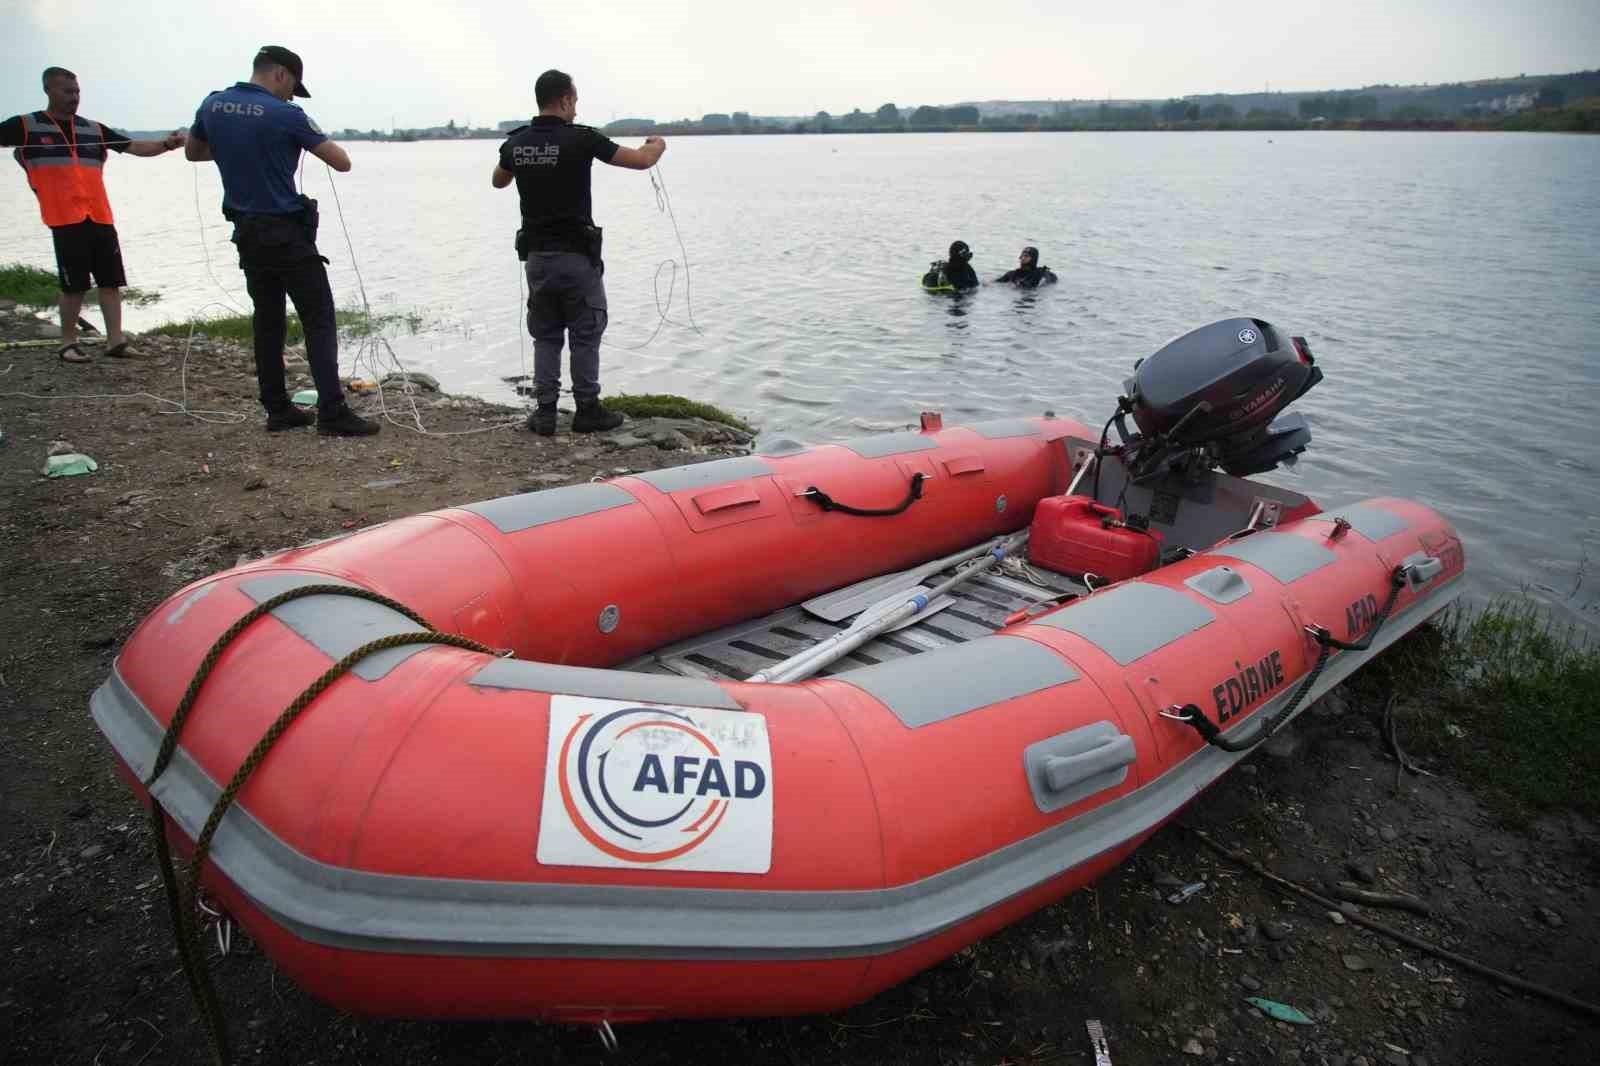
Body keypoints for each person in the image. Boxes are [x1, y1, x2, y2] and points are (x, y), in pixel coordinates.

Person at [184, 46, 377, 435]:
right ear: (280, 75)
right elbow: (342, 161)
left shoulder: (213, 105)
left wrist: (240, 150)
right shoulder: (286, 114)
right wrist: (299, 132)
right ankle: (333, 412)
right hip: (286, 233)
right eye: (292, 88)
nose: (291, 95)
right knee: (319, 317)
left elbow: (193, 152)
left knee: (268, 318)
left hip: (247, 232)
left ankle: (277, 409)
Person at [493, 69, 666, 436]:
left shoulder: (516, 143)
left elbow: (498, 179)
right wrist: (657, 145)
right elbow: (640, 160)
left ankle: (544, 413)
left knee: (546, 336)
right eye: (575, 101)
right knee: (585, 332)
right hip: (576, 259)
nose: (576, 108)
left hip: (537, 260)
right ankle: (587, 410)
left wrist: (526, 164)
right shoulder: (582, 140)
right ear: (565, 100)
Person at [2, 67, 187, 363]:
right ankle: (67, 343)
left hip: (99, 214)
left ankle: (116, 341)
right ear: (49, 90)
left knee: (111, 281)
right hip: (64, 217)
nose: (74, 97)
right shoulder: (26, 126)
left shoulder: (92, 129)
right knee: (74, 285)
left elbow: (136, 146)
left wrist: (167, 144)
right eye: (67, 91)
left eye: (77, 92)